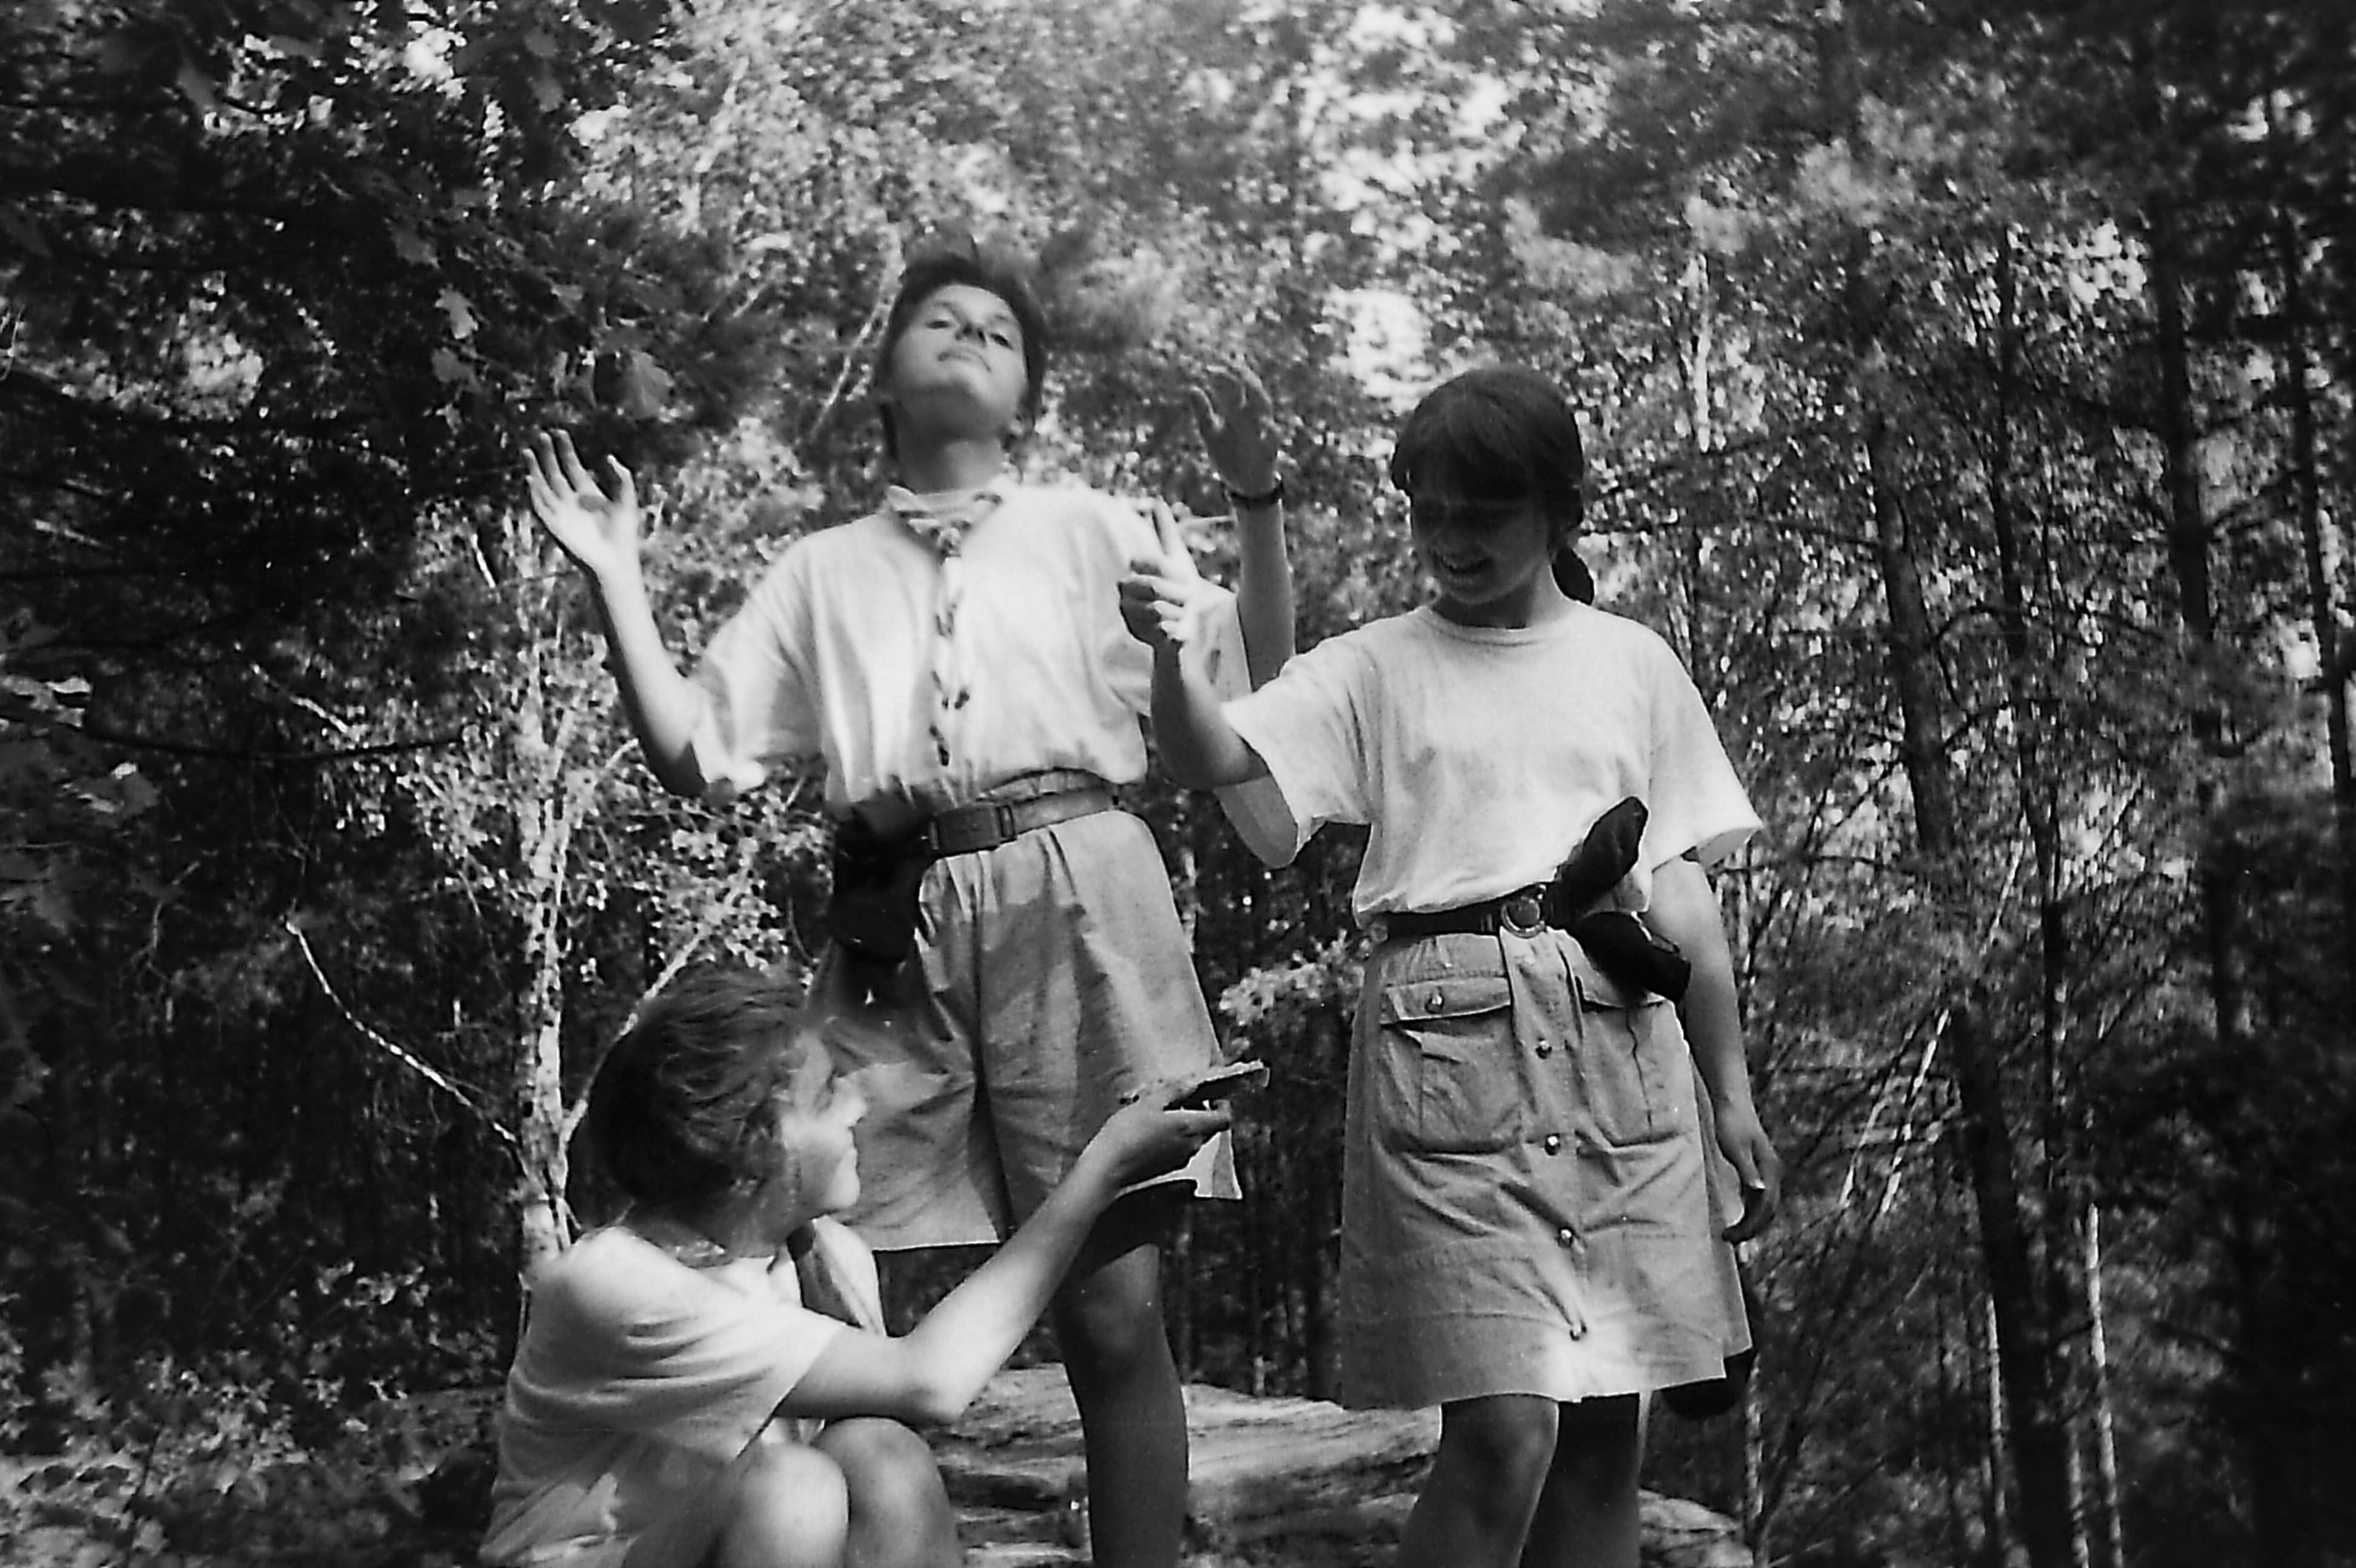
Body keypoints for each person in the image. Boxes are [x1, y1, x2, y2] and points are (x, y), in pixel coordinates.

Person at [522, 234, 1290, 1568]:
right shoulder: (821, 568)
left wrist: (1256, 504)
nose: (971, 336)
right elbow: (696, 750)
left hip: (1079, 887)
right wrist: (617, 578)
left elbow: (1256, 681)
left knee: (1110, 1307)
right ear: (883, 373)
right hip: (893, 912)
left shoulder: (1090, 525)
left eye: (1000, 330)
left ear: (1027, 395)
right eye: (941, 319)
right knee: (818, 1251)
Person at [1120, 364, 1782, 1568]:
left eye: (1484, 512)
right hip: (1450, 1053)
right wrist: (1172, 654)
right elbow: (1214, 754)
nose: (1452, 539)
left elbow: (1680, 889)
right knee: (1504, 1430)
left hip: (1623, 1053)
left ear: (1562, 511)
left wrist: (1730, 1095)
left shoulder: (1632, 663)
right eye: (1430, 512)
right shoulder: (1379, 665)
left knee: (1605, 1432)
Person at [481, 965, 1231, 1568]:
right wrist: (1099, 1171)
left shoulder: (828, 1259)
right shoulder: (617, 1281)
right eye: (826, 1092)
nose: (858, 1104)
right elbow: (931, 1379)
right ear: (751, 1146)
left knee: (879, 1452)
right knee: (793, 1489)